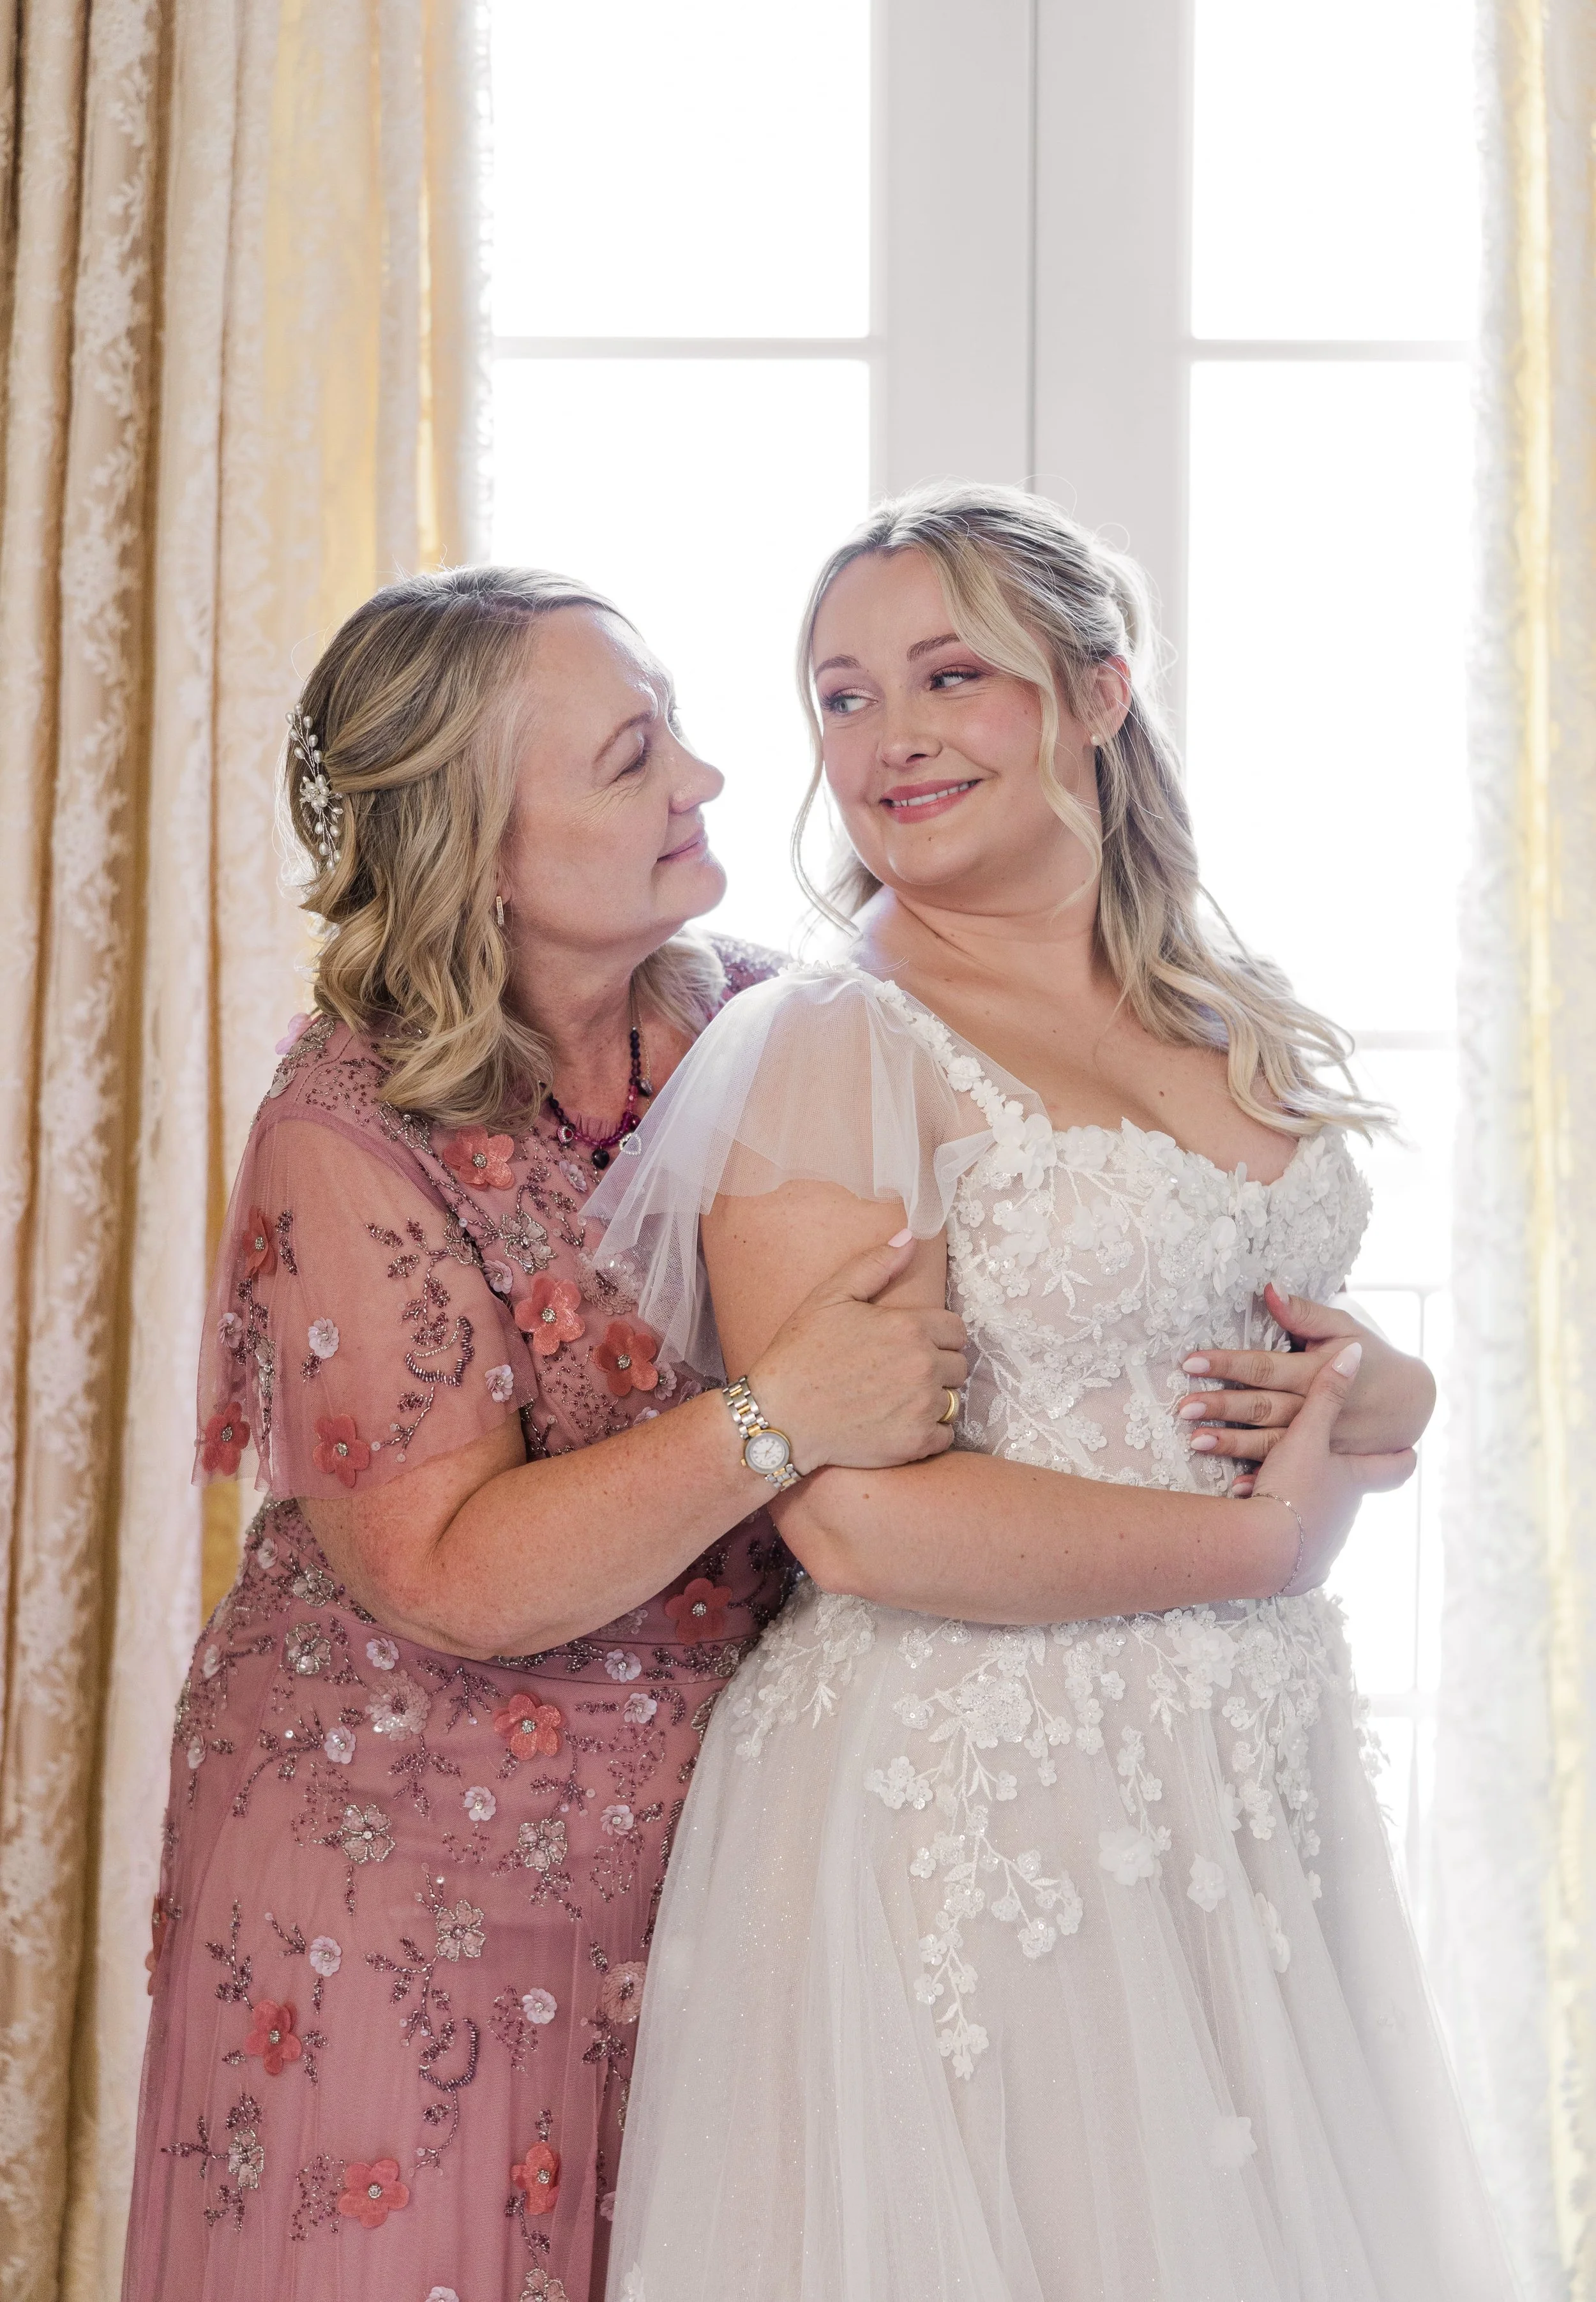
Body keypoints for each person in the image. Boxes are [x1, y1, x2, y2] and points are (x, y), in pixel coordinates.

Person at [594, 486, 1516, 2301]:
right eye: (840, 696)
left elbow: (1287, 1349)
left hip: (1234, 1774)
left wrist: (1381, 1385)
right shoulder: (834, 1040)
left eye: (951, 674)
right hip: (971, 1798)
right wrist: (1247, 1544)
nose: (888, 736)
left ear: (1097, 690)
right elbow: (856, 1511)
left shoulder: (1222, 1010)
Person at [122, 566, 972, 2302]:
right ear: (474, 847)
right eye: (630, 758)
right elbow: (440, 1565)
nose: (705, 787)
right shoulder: (345, 1123)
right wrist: (774, 1417)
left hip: (712, 1871)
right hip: (391, 1902)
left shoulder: (758, 1015)